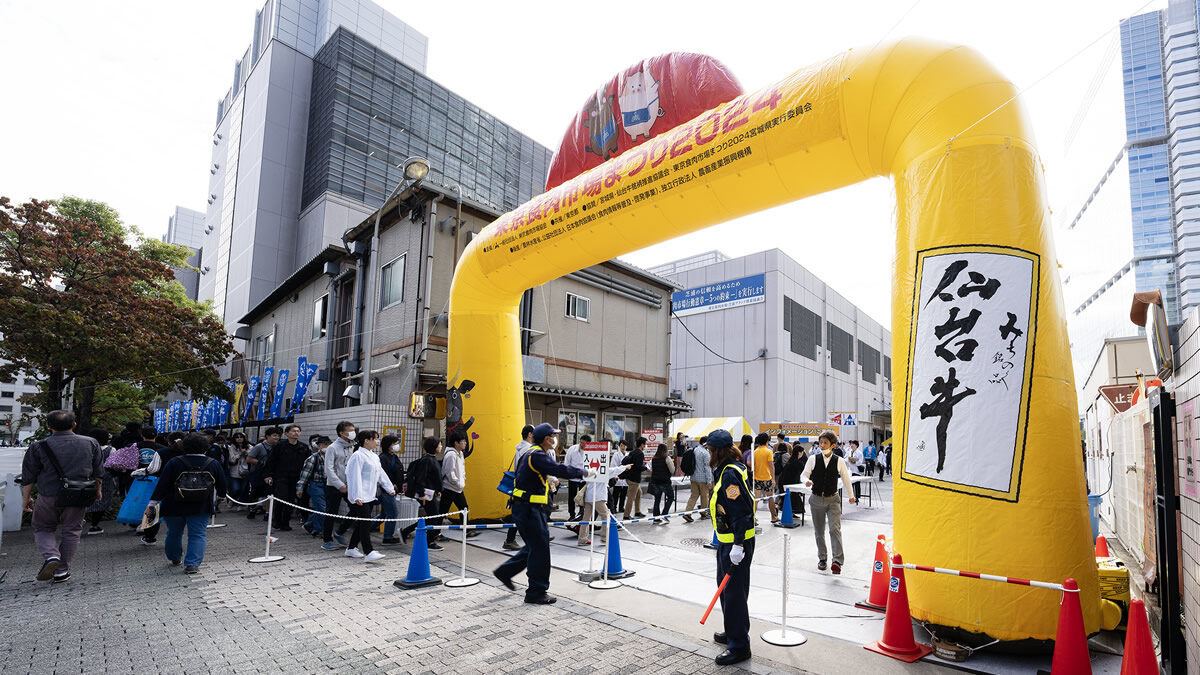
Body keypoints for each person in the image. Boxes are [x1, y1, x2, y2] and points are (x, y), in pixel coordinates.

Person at [493, 423, 591, 604]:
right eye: (554, 436)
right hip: (529, 509)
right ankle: (536, 592)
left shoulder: (531, 453)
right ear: (547, 439)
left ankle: (504, 572)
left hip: (526, 508)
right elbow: (560, 469)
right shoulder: (537, 455)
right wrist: (585, 472)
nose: (556, 439)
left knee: (534, 546)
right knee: (540, 549)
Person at [21, 410, 103, 583]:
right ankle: (61, 571)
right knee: (72, 530)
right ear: (74, 424)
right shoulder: (90, 443)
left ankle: (51, 556)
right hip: (78, 494)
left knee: (43, 528)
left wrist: (26, 498)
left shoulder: (38, 446)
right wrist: (98, 490)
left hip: (48, 495)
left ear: (48, 426)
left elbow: (29, 476)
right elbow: (98, 472)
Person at [705, 429, 755, 666]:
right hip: (727, 541)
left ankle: (739, 646)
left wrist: (738, 546)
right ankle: (734, 629)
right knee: (726, 590)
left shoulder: (729, 476)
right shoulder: (730, 468)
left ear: (718, 451)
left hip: (737, 543)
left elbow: (742, 513)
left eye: (709, 449)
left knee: (733, 594)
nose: (707, 453)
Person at [146, 433, 227, 574]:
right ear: (206, 447)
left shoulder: (174, 462)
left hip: (174, 503)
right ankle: (192, 564)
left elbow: (163, 485)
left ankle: (174, 557)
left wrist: (152, 503)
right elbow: (222, 483)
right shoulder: (212, 463)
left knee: (174, 533)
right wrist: (221, 495)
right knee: (198, 534)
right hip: (201, 505)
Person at [801, 430, 857, 574]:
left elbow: (846, 479)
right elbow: (804, 475)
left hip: (833, 499)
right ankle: (822, 558)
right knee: (819, 531)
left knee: (834, 529)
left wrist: (851, 495)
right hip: (816, 499)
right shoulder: (813, 459)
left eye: (825, 442)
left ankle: (837, 561)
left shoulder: (839, 461)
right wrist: (807, 481)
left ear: (832, 445)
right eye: (820, 442)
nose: (822, 445)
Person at [343, 430, 394, 563]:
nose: (377, 441)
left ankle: (351, 548)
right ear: (366, 440)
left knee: (362, 523)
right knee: (365, 523)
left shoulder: (374, 456)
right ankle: (369, 551)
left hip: (370, 495)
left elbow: (380, 473)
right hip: (360, 496)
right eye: (375, 439)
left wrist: (389, 487)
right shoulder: (358, 456)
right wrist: (357, 495)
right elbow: (354, 476)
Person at [402, 436, 444, 550]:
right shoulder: (426, 460)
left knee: (432, 516)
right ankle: (429, 542)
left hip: (430, 492)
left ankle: (406, 531)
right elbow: (421, 478)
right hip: (425, 494)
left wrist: (437, 490)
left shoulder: (432, 458)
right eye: (439, 445)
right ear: (434, 447)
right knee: (434, 517)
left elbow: (433, 478)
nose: (441, 446)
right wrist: (421, 495)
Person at [265, 424, 308, 531]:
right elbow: (270, 461)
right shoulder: (279, 446)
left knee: (291, 500)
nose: (296, 433)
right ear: (287, 433)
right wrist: (268, 475)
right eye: (293, 431)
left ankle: (286, 522)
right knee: (281, 498)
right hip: (281, 477)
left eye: (298, 431)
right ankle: (277, 520)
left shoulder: (303, 447)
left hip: (296, 478)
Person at [321, 421, 356, 551]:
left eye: (354, 430)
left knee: (355, 509)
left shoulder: (352, 446)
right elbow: (328, 469)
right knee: (332, 512)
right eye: (350, 430)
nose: (353, 433)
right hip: (333, 485)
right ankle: (327, 540)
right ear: (341, 433)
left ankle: (340, 532)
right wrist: (339, 485)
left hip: (349, 484)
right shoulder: (332, 447)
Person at [503, 424, 536, 551]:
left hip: (521, 484)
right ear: (530, 435)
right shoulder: (527, 449)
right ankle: (510, 540)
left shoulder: (521, 448)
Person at [440, 431, 477, 538]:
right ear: (456, 443)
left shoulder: (460, 454)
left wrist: (462, 481)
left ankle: (467, 530)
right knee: (442, 512)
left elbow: (462, 470)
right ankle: (434, 533)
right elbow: (449, 472)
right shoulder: (451, 455)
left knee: (464, 508)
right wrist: (457, 482)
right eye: (463, 441)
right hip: (449, 487)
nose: (465, 443)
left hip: (457, 488)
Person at [84, 428, 116, 535]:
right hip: (105, 478)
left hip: (87, 476)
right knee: (102, 501)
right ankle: (94, 525)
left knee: (84, 499)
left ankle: (79, 520)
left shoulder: (86, 448)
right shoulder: (110, 450)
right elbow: (114, 465)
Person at [297, 436, 331, 537]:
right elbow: (305, 474)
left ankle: (309, 524)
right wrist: (300, 488)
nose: (327, 447)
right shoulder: (313, 458)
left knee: (323, 509)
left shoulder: (332, 457)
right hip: (315, 485)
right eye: (324, 444)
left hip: (328, 485)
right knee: (323, 509)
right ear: (319, 446)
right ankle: (317, 530)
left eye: (329, 444)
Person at [245, 427, 281, 519]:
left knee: (270, 493)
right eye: (274, 435)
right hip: (258, 473)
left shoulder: (278, 446)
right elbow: (249, 459)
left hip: (270, 474)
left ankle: (268, 513)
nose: (277, 438)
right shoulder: (259, 446)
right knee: (255, 493)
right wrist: (261, 462)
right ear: (267, 436)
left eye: (278, 436)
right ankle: (253, 509)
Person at [378, 434, 405, 545]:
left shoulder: (394, 456)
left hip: (393, 490)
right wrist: (391, 485)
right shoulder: (383, 458)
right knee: (393, 513)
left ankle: (365, 529)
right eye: (395, 443)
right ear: (388, 445)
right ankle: (388, 537)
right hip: (386, 490)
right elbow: (382, 475)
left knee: (384, 514)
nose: (397, 445)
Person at [683, 436, 712, 522]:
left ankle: (687, 513)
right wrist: (709, 480)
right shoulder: (705, 453)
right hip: (703, 479)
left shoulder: (694, 450)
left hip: (693, 477)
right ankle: (704, 512)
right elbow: (707, 468)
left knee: (693, 496)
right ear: (705, 443)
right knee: (705, 496)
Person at [750, 433, 778, 523]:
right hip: (767, 478)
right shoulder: (769, 451)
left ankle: (752, 519)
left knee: (756, 499)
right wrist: (773, 479)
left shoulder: (755, 452)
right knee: (770, 497)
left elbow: (752, 465)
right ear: (767, 441)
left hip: (756, 478)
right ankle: (773, 517)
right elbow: (771, 466)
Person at [619, 436, 648, 519]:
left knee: (639, 493)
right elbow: (638, 466)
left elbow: (634, 464)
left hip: (630, 477)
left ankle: (637, 511)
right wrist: (646, 468)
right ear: (642, 445)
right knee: (631, 498)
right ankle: (626, 515)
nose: (645, 446)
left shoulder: (633, 452)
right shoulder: (640, 453)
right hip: (634, 479)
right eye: (645, 444)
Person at [778, 443, 807, 519]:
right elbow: (804, 472)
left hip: (784, 482)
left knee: (788, 498)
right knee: (791, 498)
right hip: (789, 483)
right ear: (799, 453)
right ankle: (781, 509)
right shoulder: (798, 462)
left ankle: (791, 512)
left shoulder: (791, 460)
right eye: (802, 452)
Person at [649, 443, 675, 522]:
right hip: (665, 482)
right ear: (665, 450)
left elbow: (652, 470)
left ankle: (656, 517)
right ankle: (665, 513)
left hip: (656, 481)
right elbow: (672, 470)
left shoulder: (654, 458)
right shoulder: (667, 458)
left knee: (657, 499)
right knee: (670, 497)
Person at [564, 435, 587, 521]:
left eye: (584, 443)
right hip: (573, 476)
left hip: (584, 477)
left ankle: (582, 513)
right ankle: (572, 514)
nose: (582, 445)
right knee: (572, 497)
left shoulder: (590, 450)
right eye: (581, 442)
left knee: (583, 497)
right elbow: (567, 462)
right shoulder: (572, 449)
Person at [226, 432, 251, 508]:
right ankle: (231, 499)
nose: (239, 439)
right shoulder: (231, 447)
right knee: (235, 488)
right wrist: (240, 453)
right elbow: (232, 459)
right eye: (237, 437)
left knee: (243, 489)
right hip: (234, 471)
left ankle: (238, 503)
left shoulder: (249, 446)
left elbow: (252, 456)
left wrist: (245, 452)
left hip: (245, 471)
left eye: (241, 437)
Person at [608, 439, 628, 515]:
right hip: (618, 476)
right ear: (619, 446)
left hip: (625, 477)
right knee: (616, 493)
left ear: (626, 446)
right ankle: (614, 507)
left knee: (623, 493)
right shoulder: (616, 455)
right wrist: (615, 476)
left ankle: (621, 507)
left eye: (624, 446)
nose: (623, 447)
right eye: (621, 445)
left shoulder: (628, 454)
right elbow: (613, 466)